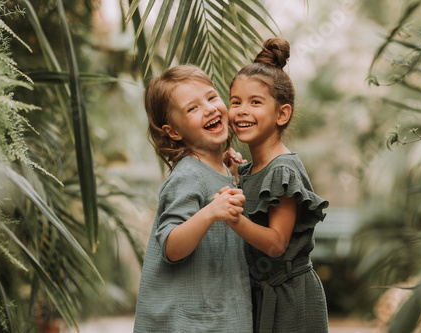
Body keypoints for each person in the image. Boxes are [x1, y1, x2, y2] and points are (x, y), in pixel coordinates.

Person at [133, 65, 253, 333]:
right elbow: (171, 247)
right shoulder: (187, 175)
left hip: (217, 316)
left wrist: (230, 176)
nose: (209, 108)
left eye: (211, 97)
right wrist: (210, 212)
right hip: (190, 323)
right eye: (192, 108)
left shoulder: (218, 169)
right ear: (173, 132)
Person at [226, 38, 329, 332]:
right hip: (262, 294)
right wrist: (235, 172)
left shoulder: (282, 170)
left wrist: (233, 220)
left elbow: (276, 243)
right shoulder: (254, 168)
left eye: (255, 102)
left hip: (291, 300)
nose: (242, 110)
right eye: (236, 101)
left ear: (282, 114)